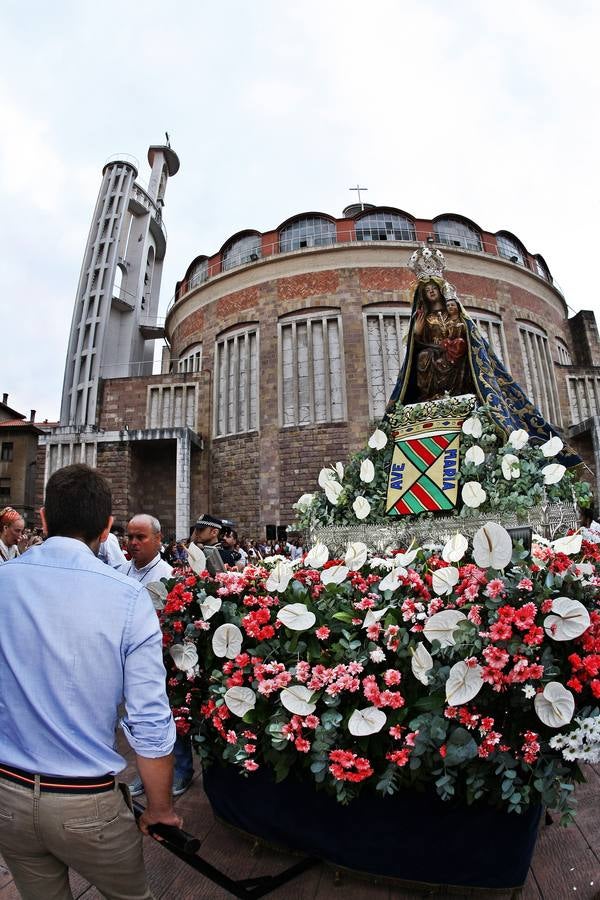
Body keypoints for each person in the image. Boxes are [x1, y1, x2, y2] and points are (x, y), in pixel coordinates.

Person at [0, 464, 180, 899]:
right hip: (86, 801)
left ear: (43, 518)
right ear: (108, 527)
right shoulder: (127, 597)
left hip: (8, 794)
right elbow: (149, 718)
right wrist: (160, 809)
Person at [387, 245, 581, 467]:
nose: (430, 292)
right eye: (427, 290)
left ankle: (452, 391)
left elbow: (469, 339)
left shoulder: (455, 314)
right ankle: (432, 394)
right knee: (423, 358)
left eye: (433, 288)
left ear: (440, 290)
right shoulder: (422, 317)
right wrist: (418, 330)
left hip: (454, 358)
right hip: (432, 354)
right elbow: (417, 344)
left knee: (458, 349)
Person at [118, 514, 174, 585]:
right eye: (130, 537)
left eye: (140, 537)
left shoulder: (169, 577)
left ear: (157, 538)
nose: (133, 542)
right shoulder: (120, 571)